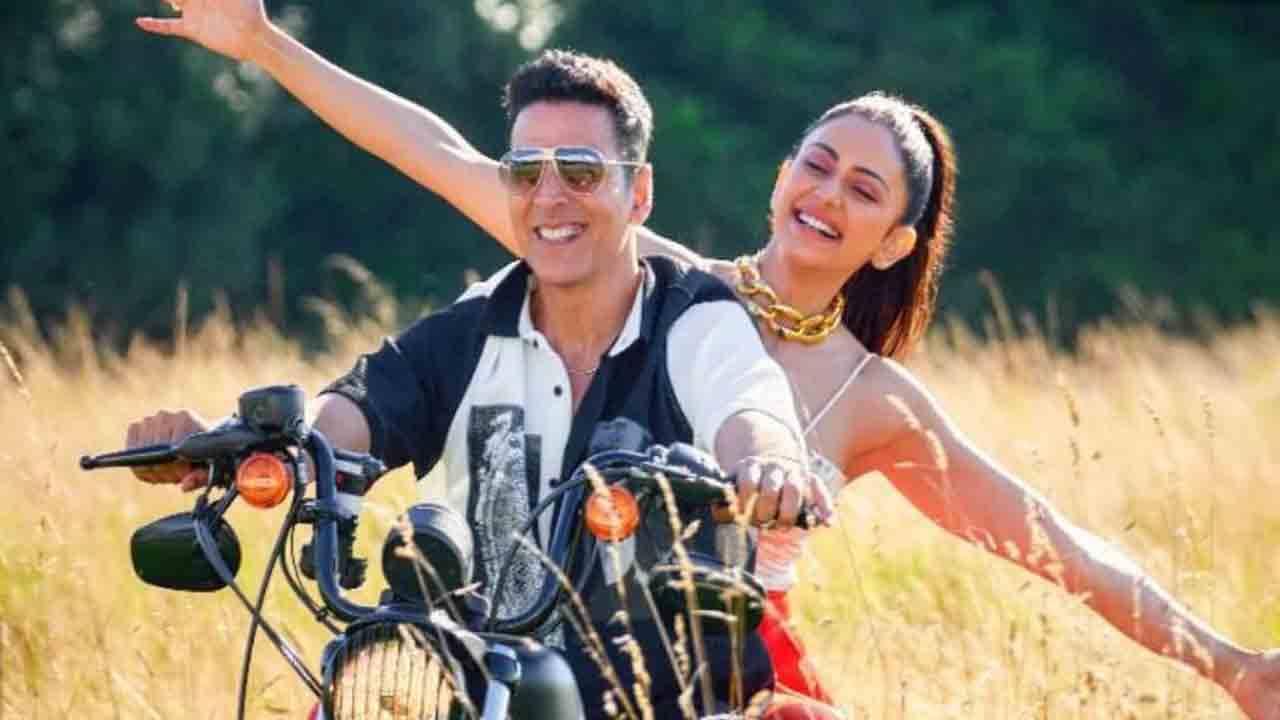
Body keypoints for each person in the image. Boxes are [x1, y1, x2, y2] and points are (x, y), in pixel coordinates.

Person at [133, 2, 1280, 717]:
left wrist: (1230, 664)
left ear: (891, 241)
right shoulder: (629, 263)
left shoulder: (874, 401)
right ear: (780, 173)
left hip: (709, 678)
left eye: (862, 189)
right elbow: (437, 152)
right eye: (815, 162)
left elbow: (1053, 544)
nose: (825, 193)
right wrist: (261, 43)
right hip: (518, 638)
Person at [124, 43, 837, 719]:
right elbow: (356, 409)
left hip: (669, 702)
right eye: (525, 172)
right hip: (480, 695)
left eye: (580, 171)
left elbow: (749, 407)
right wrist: (242, 444)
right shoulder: (474, 325)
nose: (549, 196)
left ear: (639, 192)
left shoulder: (696, 320)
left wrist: (768, 464)